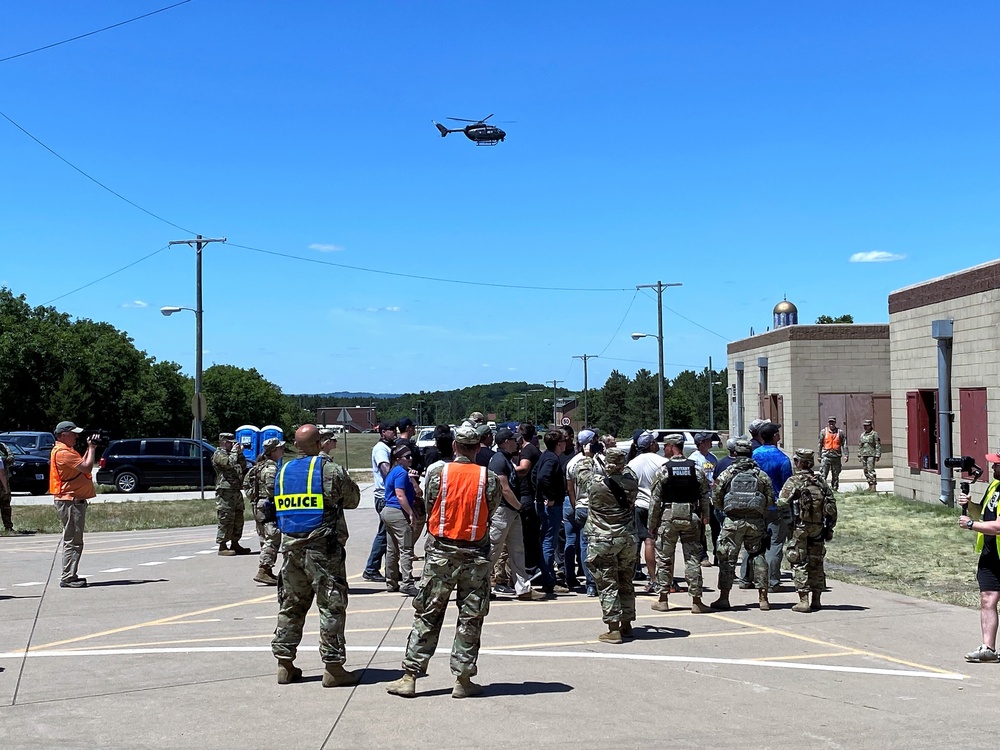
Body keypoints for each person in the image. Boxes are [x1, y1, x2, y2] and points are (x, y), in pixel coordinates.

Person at [386, 425, 501, 699]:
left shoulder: (439, 473)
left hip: (440, 553)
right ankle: (462, 679)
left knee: (428, 613)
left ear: (455, 447)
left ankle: (410, 676)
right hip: (475, 555)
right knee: (470, 617)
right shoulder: (490, 478)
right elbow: (491, 509)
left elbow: (428, 504)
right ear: (478, 448)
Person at [272, 424, 362, 687]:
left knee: (291, 607)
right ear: (319, 442)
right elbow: (353, 499)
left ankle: (284, 664)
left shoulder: (283, 470)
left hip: (290, 549)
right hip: (323, 550)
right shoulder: (329, 470)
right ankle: (333, 668)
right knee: (331, 607)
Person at [648, 434, 711, 613]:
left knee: (665, 559)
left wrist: (652, 524)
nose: (664, 449)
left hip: (668, 517)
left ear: (671, 446)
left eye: (665, 446)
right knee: (692, 559)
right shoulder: (696, 469)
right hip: (691, 517)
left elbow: (655, 500)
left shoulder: (664, 470)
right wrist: (705, 517)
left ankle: (663, 599)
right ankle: (697, 601)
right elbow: (705, 496)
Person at [582, 447, 640, 643]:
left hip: (603, 539)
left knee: (607, 583)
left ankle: (613, 628)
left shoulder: (596, 484)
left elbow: (582, 472)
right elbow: (629, 472)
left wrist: (591, 456)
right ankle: (627, 624)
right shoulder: (631, 483)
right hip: (627, 538)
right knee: (625, 580)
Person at [711, 439, 773, 611]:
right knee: (759, 556)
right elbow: (769, 498)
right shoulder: (760, 474)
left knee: (727, 558)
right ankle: (763, 598)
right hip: (756, 522)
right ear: (751, 453)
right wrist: (760, 513)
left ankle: (724, 598)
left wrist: (725, 510)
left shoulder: (728, 473)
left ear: (736, 454)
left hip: (733, 521)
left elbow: (716, 495)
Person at [777, 449, 837, 612]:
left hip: (799, 527)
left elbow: (782, 503)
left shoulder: (794, 481)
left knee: (799, 561)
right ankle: (817, 599)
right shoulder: (820, 481)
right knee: (816, 562)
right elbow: (831, 505)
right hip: (818, 527)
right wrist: (829, 527)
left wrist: (788, 523)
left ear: (798, 462)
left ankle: (804, 600)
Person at [487, 427, 539, 600]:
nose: (517, 442)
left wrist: (517, 508)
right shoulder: (498, 461)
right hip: (503, 511)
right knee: (493, 550)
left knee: (518, 550)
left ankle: (523, 588)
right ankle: (480, 584)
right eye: (513, 440)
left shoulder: (506, 459)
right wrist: (519, 506)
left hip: (512, 511)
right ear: (506, 442)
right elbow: (504, 489)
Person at [958, 452, 1000, 662]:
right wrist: (970, 506)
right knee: (987, 599)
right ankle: (988, 649)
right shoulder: (994, 487)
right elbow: (984, 516)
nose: (993, 468)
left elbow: (999, 527)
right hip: (991, 555)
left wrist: (971, 525)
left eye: (997, 465)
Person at [49, 421, 99, 588]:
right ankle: (68, 577)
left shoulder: (65, 451)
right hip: (70, 501)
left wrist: (89, 448)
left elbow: (80, 466)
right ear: (63, 435)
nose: (77, 436)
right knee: (73, 540)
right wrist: (91, 449)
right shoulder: (63, 453)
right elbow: (86, 468)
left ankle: (70, 575)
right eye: (73, 433)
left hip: (71, 500)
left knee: (74, 539)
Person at [751, 422, 793, 591]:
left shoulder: (753, 455)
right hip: (776, 506)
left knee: (754, 542)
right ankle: (772, 581)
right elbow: (787, 486)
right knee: (775, 544)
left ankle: (748, 577)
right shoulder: (782, 459)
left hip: (756, 505)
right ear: (774, 436)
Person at [626, 431, 666, 592]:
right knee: (660, 544)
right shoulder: (661, 461)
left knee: (644, 542)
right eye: (655, 442)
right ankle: (661, 578)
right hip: (657, 506)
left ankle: (652, 578)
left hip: (639, 505)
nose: (657, 444)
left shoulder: (632, 464)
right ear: (650, 445)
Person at [567, 430, 604, 596]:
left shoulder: (572, 463)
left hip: (580, 506)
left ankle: (589, 584)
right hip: (597, 507)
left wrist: (576, 506)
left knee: (584, 545)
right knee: (600, 545)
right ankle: (597, 581)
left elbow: (570, 488)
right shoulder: (599, 462)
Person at [534, 429, 570, 595]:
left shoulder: (546, 456)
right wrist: (550, 496)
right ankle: (549, 581)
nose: (565, 442)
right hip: (551, 506)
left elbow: (534, 474)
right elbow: (542, 477)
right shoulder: (551, 459)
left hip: (544, 504)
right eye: (563, 440)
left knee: (546, 542)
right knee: (549, 543)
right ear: (558, 444)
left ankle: (548, 578)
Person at [245, 437, 285, 586]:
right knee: (273, 537)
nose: (282, 450)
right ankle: (263, 569)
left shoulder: (258, 466)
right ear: (273, 451)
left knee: (265, 537)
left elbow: (246, 486)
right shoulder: (271, 468)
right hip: (268, 505)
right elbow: (272, 489)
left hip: (258, 505)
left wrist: (255, 497)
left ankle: (267, 571)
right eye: (280, 448)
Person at [382, 445, 421, 596]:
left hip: (388, 511)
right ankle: (407, 583)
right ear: (398, 459)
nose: (410, 459)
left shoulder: (394, 471)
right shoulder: (400, 473)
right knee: (406, 548)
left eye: (411, 456)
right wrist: (410, 513)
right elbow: (400, 494)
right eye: (407, 457)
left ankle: (391, 582)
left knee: (392, 549)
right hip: (398, 511)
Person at [363, 421, 397, 582]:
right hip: (384, 496)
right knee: (384, 534)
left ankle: (380, 568)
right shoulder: (380, 449)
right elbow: (386, 470)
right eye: (391, 430)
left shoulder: (389, 447)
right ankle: (371, 568)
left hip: (389, 495)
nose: (394, 432)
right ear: (383, 432)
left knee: (387, 533)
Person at [213, 432, 250, 556]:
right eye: (230, 442)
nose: (233, 444)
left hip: (235, 490)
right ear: (224, 442)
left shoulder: (232, 454)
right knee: (226, 518)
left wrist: (240, 454)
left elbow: (243, 466)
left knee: (238, 518)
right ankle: (222, 545)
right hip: (225, 490)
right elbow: (229, 464)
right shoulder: (219, 454)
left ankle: (235, 543)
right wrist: (234, 453)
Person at [513, 422, 542, 572]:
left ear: (521, 435)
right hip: (530, 496)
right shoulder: (533, 449)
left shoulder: (527, 451)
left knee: (528, 535)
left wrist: (507, 469)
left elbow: (523, 469)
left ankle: (530, 566)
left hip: (527, 496)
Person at [690, 432, 719, 567]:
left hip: (713, 498)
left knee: (716, 527)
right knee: (701, 527)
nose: (711, 442)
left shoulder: (712, 458)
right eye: (708, 440)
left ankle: (718, 555)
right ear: (701, 443)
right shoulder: (694, 459)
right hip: (701, 498)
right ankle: (703, 555)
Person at [818, 416, 848, 491]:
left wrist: (846, 455)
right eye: (830, 422)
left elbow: (844, 444)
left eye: (832, 422)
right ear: (828, 423)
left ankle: (835, 488)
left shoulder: (840, 432)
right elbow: (820, 444)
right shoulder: (823, 432)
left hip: (836, 456)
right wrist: (819, 456)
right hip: (826, 455)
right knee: (823, 473)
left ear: (835, 423)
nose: (831, 424)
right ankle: (822, 489)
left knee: (835, 474)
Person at [858, 419, 882, 492]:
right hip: (864, 455)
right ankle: (869, 485)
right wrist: (859, 455)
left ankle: (873, 486)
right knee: (865, 470)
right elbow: (860, 445)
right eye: (864, 426)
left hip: (871, 455)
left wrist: (878, 454)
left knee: (870, 470)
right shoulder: (862, 435)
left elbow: (877, 444)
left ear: (870, 426)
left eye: (867, 426)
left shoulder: (874, 434)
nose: (866, 427)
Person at [0, 441, 11, 531]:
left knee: (6, 505)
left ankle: (8, 526)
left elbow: (11, 458)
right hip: (2, 483)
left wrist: (6, 460)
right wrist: (6, 488)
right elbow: (1, 473)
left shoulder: (3, 447)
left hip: (2, 484)